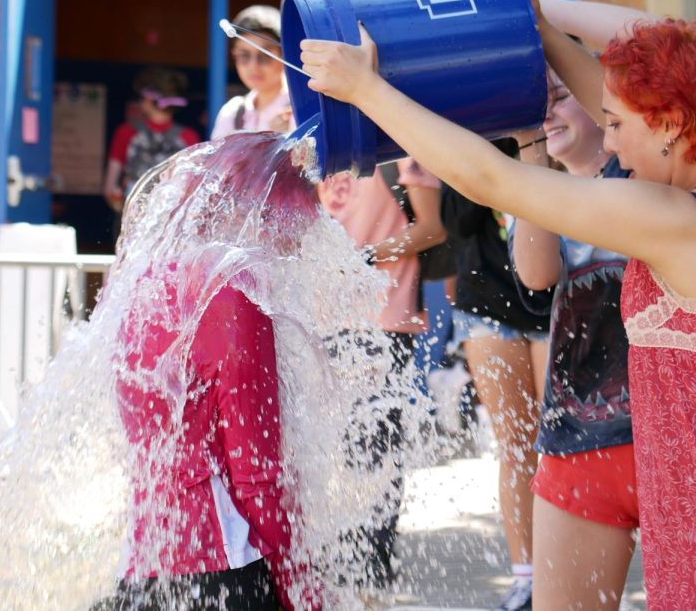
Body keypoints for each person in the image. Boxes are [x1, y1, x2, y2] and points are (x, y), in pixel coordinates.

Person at [298, 0, 696, 608]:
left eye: (617, 125)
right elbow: (658, 52)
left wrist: (367, 89)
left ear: (674, 126)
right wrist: (537, 26)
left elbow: (493, 177)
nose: (609, 140)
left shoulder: (682, 220)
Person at [109, 135, 321, 611]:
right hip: (223, 570)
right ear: (261, 214)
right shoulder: (234, 300)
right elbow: (255, 476)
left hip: (144, 567)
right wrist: (301, 588)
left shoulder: (143, 286)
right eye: (295, 230)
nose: (297, 251)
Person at [510, 70, 636, 610]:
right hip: (577, 441)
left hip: (667, 440)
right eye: (535, 103)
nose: (546, 113)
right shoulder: (538, 190)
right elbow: (537, 275)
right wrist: (529, 150)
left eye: (560, 98)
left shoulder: (642, 175)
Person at [317, 157, 445, 595]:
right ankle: (332, 563)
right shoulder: (316, 144)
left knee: (376, 450)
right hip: (320, 320)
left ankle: (371, 567)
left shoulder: (403, 148)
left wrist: (362, 258)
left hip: (385, 319)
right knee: (325, 450)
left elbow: (431, 229)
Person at [439, 139, 549, 611]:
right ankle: (525, 578)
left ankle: (563, 571)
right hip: (487, 300)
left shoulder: (553, 128)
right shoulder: (469, 132)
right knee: (515, 442)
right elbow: (454, 223)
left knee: (560, 444)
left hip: (554, 297)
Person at [102, 66, 200, 217]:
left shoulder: (126, 133)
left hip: (133, 220)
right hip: (172, 223)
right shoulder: (189, 137)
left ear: (148, 99)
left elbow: (110, 188)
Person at [211, 5, 293, 139]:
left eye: (265, 55)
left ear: (284, 55)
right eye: (244, 55)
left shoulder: (301, 111)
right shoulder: (232, 113)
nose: (253, 66)